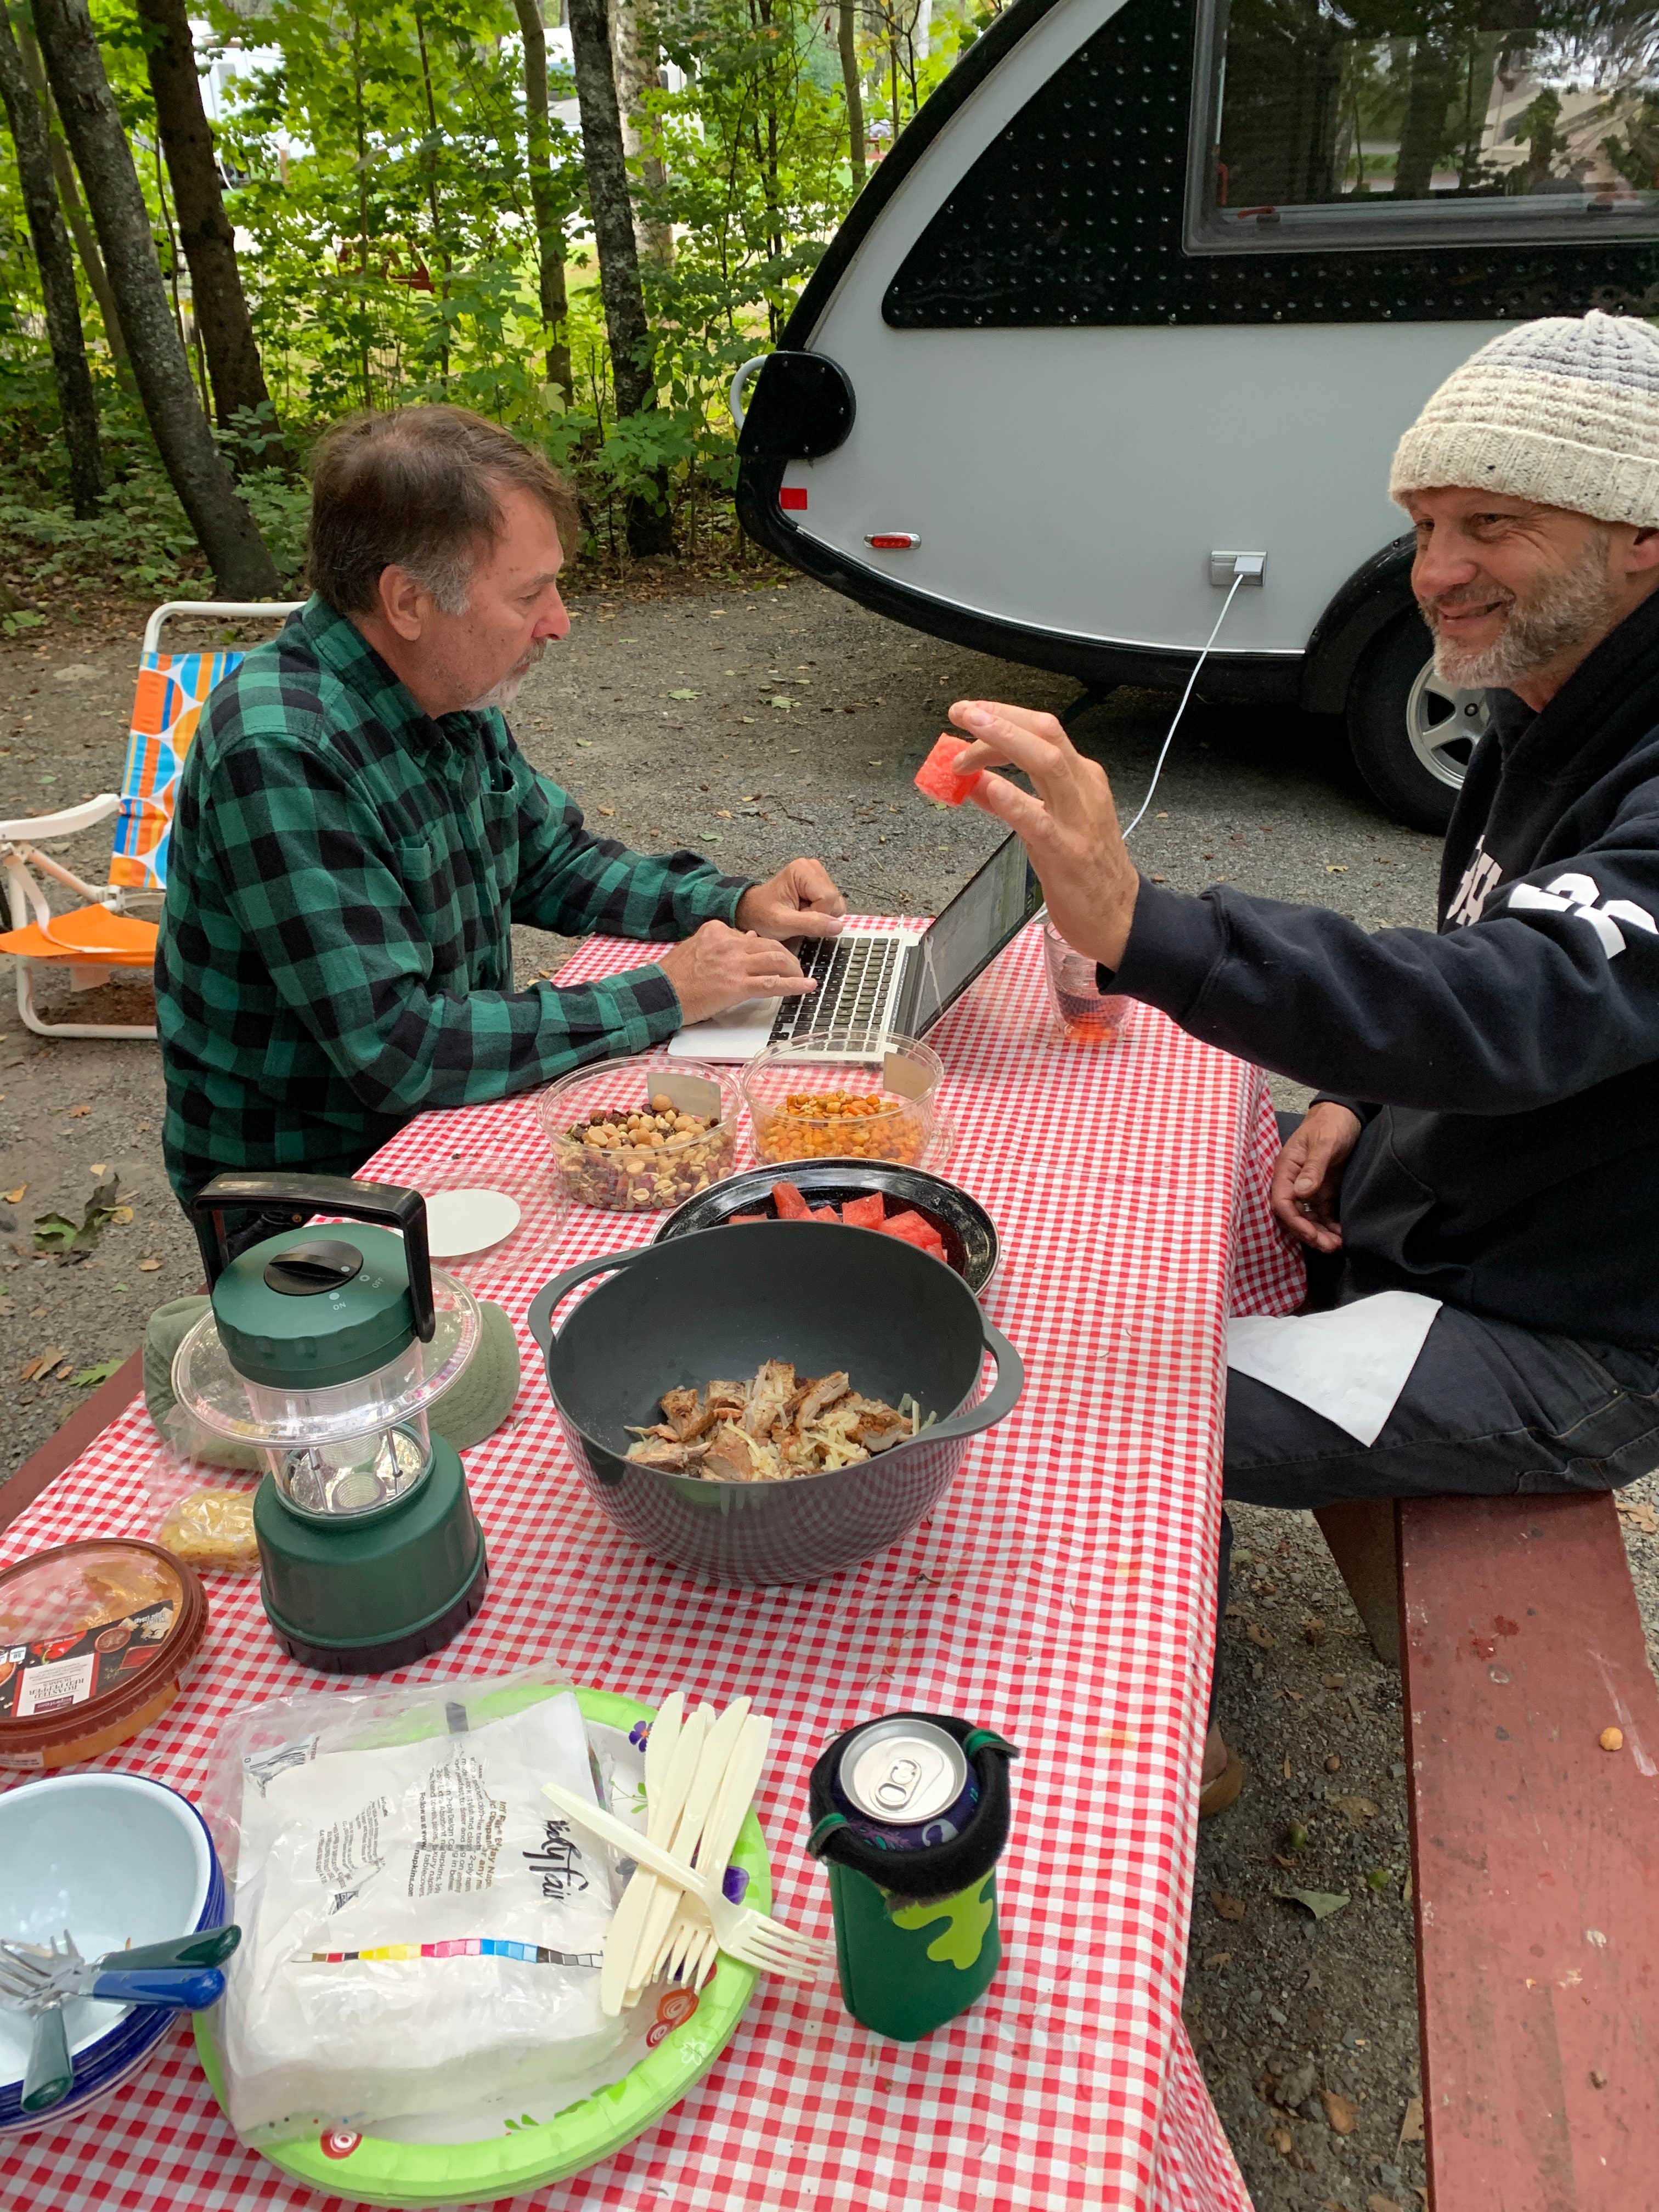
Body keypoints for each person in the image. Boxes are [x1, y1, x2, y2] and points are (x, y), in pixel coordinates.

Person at [941, 309, 1659, 1814]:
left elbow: (1523, 1003)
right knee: (1105, 1230)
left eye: (1492, 526)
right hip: (1463, 1222)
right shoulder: (1552, 703)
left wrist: (1144, 924)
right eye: (1422, 524)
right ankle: (1167, 1635)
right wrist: (1354, 1099)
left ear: (1642, 538)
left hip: (1574, 1334)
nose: (1434, 571)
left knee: (1068, 1400)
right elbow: (1472, 962)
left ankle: (1111, 1743)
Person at [156, 405, 845, 1239]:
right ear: (408, 600)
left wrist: (734, 903)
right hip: (319, 1190)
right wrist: (666, 992)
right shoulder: (280, 750)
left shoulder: (441, 686)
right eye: (529, 594)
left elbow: (548, 859)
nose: (558, 619)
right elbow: (398, 1045)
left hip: (437, 1122)